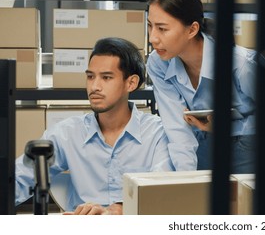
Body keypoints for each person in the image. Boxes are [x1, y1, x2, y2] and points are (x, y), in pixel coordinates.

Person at [15, 37, 174, 215]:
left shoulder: (158, 133)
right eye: (90, 76)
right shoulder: (67, 133)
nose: (94, 86)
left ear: (131, 83)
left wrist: (120, 210)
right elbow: (18, 179)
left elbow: (161, 190)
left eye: (106, 77)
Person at [146, 0, 265, 173]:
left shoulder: (240, 65)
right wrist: (185, 179)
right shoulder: (158, 63)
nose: (153, 38)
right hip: (201, 143)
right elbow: (176, 127)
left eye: (162, 29)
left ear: (192, 29)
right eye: (150, 26)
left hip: (247, 143)